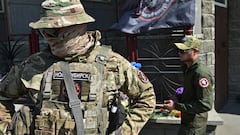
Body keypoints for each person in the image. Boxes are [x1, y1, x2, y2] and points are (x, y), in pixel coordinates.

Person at [0, 0, 156, 135]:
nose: (48, 37)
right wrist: (7, 129)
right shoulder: (34, 65)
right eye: (43, 31)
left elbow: (146, 97)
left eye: (53, 31)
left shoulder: (112, 63)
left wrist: (124, 132)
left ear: (76, 27)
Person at [164, 35, 214, 135]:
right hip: (188, 123)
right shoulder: (188, 68)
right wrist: (178, 97)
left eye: (183, 51)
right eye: (178, 50)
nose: (179, 53)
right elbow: (193, 95)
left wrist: (176, 106)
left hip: (194, 127)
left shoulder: (200, 73)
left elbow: (205, 105)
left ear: (195, 52)